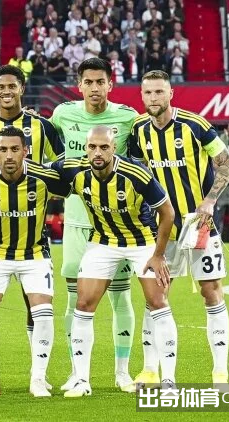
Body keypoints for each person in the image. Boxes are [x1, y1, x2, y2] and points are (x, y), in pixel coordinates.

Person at [129, 70, 229, 392]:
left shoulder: (195, 125)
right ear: (142, 95)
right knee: (155, 297)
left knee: (211, 291)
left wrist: (210, 200)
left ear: (170, 93)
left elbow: (227, 164)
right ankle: (150, 370)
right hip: (162, 229)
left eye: (159, 92)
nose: (153, 98)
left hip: (198, 225)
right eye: (148, 93)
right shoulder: (138, 130)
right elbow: (135, 173)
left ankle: (220, 374)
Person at [0, 64, 64, 393]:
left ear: (22, 88)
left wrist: (39, 169)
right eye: (1, 86)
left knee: (37, 307)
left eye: (12, 86)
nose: (6, 91)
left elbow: (62, 167)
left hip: (34, 235)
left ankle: (39, 376)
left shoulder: (42, 126)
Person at [51, 125, 176, 396]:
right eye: (92, 147)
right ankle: (82, 381)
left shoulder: (135, 174)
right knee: (83, 304)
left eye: (104, 147)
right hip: (103, 242)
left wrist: (158, 255)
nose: (98, 152)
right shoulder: (74, 169)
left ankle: (169, 382)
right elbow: (39, 172)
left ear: (114, 148)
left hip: (142, 241)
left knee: (158, 303)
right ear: (85, 148)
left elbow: (167, 212)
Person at [49, 58, 139, 392]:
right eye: (88, 82)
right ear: (79, 85)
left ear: (110, 84)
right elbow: (40, 139)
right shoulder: (62, 114)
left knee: (120, 297)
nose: (94, 88)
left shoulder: (128, 118)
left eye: (100, 81)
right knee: (75, 300)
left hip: (116, 224)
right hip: (76, 221)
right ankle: (77, 372)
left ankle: (122, 372)